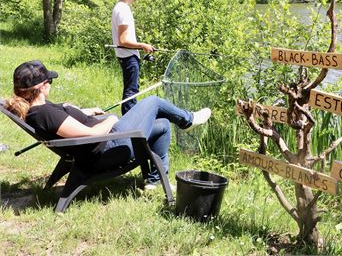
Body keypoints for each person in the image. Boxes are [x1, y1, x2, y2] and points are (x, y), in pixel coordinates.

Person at [3, 60, 212, 189]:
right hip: (108, 150)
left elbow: (62, 120)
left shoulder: (35, 108)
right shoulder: (44, 113)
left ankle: (155, 180)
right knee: (153, 102)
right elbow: (88, 134)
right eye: (49, 81)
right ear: (40, 87)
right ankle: (187, 120)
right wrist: (111, 120)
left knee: (163, 125)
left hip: (103, 146)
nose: (50, 83)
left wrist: (83, 111)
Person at [112, 0, 155, 114]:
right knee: (131, 93)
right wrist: (143, 45)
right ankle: (129, 126)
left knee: (130, 91)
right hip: (129, 57)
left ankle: (127, 124)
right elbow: (123, 41)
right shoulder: (123, 10)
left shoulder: (118, 7)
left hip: (126, 56)